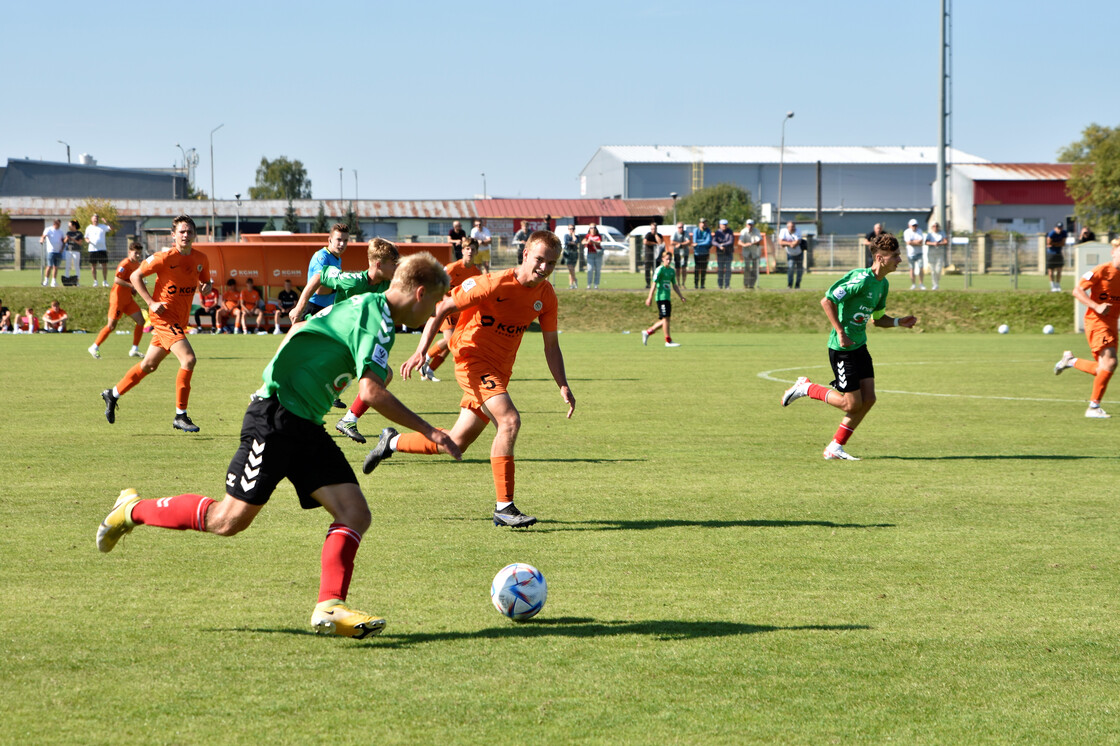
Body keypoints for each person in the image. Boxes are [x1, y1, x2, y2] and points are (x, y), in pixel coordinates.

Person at [95, 253, 462, 640]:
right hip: (275, 417)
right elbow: (370, 391)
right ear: (420, 293)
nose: (434, 314)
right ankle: (132, 510)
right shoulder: (377, 316)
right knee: (227, 520)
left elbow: (304, 328)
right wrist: (431, 431)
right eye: (436, 302)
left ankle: (329, 607)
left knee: (354, 512)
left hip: (305, 423)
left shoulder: (368, 306)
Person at [363, 231, 576, 528]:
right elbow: (443, 307)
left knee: (456, 442)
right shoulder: (492, 283)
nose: (544, 268)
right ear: (525, 254)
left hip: (499, 371)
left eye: (551, 264)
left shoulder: (546, 296)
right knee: (510, 420)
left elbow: (551, 345)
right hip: (471, 359)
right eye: (540, 260)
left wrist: (562, 384)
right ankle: (505, 507)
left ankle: (391, 442)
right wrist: (421, 351)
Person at [780, 232, 917, 460]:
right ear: (881, 258)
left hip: (859, 347)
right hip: (842, 349)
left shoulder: (882, 285)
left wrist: (897, 322)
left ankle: (835, 448)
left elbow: (876, 319)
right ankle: (806, 388)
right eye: (895, 256)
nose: (899, 260)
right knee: (849, 405)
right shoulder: (860, 279)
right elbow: (828, 300)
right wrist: (841, 332)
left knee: (869, 399)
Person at [100, 215, 212, 433]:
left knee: (149, 365)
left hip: (178, 320)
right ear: (173, 235)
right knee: (188, 359)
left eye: (189, 231)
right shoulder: (163, 257)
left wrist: (206, 287)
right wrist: (151, 302)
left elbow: (205, 282)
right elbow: (135, 276)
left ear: (194, 234)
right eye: (181, 231)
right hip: (164, 319)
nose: (185, 235)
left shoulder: (201, 259)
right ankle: (181, 415)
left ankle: (112, 394)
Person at [1053, 238, 1120, 418]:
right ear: (1113, 252)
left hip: (1112, 323)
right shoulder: (1101, 270)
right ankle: (1093, 407)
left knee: (1103, 368)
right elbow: (1077, 290)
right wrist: (1096, 306)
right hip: (1096, 321)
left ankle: (1071, 361)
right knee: (1111, 362)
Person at [412, 237, 482, 384]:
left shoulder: (476, 272)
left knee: (451, 345)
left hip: (459, 311)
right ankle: (425, 358)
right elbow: (438, 284)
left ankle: (429, 370)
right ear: (462, 250)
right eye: (467, 249)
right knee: (451, 340)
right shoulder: (452, 268)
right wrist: (447, 299)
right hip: (444, 308)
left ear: (476, 252)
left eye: (473, 249)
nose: (470, 252)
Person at [89, 241, 146, 358]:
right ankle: (94, 346)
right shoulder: (124, 264)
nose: (138, 255)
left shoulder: (136, 264)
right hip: (118, 299)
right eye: (136, 253)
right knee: (111, 326)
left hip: (128, 299)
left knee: (141, 320)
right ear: (129, 252)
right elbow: (116, 280)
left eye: (139, 253)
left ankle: (134, 349)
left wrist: (132, 289)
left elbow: (131, 280)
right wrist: (131, 286)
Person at [289, 224, 350, 323]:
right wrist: (342, 287)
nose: (342, 244)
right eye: (339, 240)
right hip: (313, 309)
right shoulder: (322, 257)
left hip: (326, 309)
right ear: (330, 239)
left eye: (345, 240)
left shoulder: (337, 259)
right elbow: (319, 289)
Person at [641, 250, 686, 347]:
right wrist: (649, 298)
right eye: (667, 259)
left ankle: (648, 332)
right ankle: (668, 341)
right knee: (666, 319)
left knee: (666, 320)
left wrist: (681, 296)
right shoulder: (659, 269)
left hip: (667, 298)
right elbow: (653, 284)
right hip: (660, 298)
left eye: (670, 259)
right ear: (663, 259)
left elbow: (674, 285)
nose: (669, 261)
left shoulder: (671, 271)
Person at [84, 213, 113, 288]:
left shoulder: (103, 227)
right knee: (93, 266)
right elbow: (86, 237)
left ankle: (105, 281)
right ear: (91, 219)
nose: (95, 219)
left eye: (97, 218)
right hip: (92, 249)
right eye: (94, 218)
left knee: (104, 265)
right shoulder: (89, 228)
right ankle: (95, 281)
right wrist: (87, 240)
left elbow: (111, 228)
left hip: (102, 249)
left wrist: (107, 222)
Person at [923, 222, 949, 290]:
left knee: (938, 269)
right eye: (934, 226)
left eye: (936, 226)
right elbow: (926, 242)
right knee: (933, 270)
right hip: (931, 252)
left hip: (939, 252)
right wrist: (933, 243)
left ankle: (936, 282)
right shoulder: (930, 234)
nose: (935, 227)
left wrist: (939, 243)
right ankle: (935, 284)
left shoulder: (942, 233)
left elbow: (946, 241)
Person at [738, 219, 762, 289]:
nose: (750, 226)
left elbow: (759, 240)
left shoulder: (756, 231)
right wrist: (745, 244)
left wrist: (751, 243)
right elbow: (739, 242)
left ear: (753, 225)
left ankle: (752, 285)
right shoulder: (743, 231)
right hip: (746, 252)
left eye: (751, 224)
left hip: (755, 252)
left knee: (755, 269)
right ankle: (746, 284)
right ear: (746, 225)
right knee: (747, 268)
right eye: (748, 224)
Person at [40, 219, 65, 287]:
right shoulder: (49, 229)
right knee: (49, 266)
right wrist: (42, 239)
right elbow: (44, 236)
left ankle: (53, 281)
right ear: (55, 223)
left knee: (56, 267)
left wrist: (62, 249)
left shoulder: (61, 231)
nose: (59, 225)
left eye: (60, 224)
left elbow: (63, 241)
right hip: (51, 251)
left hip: (58, 251)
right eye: (58, 224)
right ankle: (46, 281)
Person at [779, 221, 803, 289]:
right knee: (790, 268)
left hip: (799, 253)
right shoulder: (783, 231)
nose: (793, 228)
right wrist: (790, 244)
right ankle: (789, 284)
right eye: (791, 227)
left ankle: (797, 284)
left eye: (794, 226)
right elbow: (780, 242)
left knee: (799, 270)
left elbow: (797, 242)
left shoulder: (798, 231)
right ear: (787, 227)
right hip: (790, 254)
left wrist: (786, 243)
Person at [1047, 222, 1069, 292]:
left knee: (1059, 270)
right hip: (1051, 254)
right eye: (1058, 228)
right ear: (1055, 228)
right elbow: (1048, 243)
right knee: (1051, 271)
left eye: (1061, 228)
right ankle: (1052, 286)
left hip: (1059, 253)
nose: (1060, 229)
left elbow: (1063, 243)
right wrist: (1057, 244)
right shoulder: (1052, 233)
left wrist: (1054, 244)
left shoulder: (1064, 233)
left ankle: (1057, 285)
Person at [713, 219, 735, 289]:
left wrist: (723, 245)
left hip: (728, 253)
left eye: (725, 225)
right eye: (723, 225)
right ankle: (720, 285)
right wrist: (719, 246)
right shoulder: (717, 232)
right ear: (720, 225)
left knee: (728, 269)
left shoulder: (730, 232)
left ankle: (727, 285)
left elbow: (731, 241)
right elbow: (713, 241)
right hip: (720, 253)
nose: (724, 226)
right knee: (720, 270)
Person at [903, 218, 925, 289]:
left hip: (919, 253)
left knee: (921, 268)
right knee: (911, 269)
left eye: (915, 225)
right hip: (910, 254)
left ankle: (921, 284)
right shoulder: (906, 232)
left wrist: (913, 242)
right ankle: (913, 284)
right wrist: (916, 242)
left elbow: (921, 242)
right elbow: (908, 242)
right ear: (909, 225)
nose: (914, 227)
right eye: (913, 225)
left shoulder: (919, 231)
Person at [691, 218, 712, 289]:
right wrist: (703, 242)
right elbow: (694, 241)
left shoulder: (708, 231)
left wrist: (698, 243)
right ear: (699, 224)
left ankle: (702, 285)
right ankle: (696, 285)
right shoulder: (696, 230)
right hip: (697, 253)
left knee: (703, 270)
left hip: (705, 253)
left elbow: (708, 242)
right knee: (697, 269)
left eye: (705, 223)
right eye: (702, 223)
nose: (704, 224)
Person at [670, 222, 693, 286]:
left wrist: (679, 244)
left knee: (684, 268)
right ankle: (678, 283)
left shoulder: (686, 233)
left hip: (685, 253)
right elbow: (672, 242)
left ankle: (683, 283)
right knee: (677, 268)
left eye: (682, 227)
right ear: (677, 228)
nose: (681, 228)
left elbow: (688, 242)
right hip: (677, 253)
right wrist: (681, 244)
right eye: (679, 227)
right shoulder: (675, 233)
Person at [63, 220, 84, 285]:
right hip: (68, 251)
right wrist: (66, 238)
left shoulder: (79, 233)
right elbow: (64, 241)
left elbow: (80, 243)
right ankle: (67, 280)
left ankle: (77, 281)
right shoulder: (68, 233)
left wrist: (73, 240)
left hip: (76, 251)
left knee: (76, 266)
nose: (69, 226)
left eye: (70, 225)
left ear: (74, 226)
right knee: (67, 266)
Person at [583, 224, 603, 289]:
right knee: (590, 269)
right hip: (590, 254)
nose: (593, 229)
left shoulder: (598, 236)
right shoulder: (587, 236)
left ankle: (596, 284)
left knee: (597, 270)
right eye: (591, 228)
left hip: (598, 254)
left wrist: (593, 241)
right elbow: (583, 242)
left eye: (594, 228)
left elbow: (599, 242)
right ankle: (589, 284)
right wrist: (587, 241)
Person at [642, 222, 662, 289]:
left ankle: (655, 283)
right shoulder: (648, 235)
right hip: (648, 256)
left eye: (654, 229)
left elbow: (660, 242)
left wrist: (656, 235)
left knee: (656, 271)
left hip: (656, 256)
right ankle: (648, 284)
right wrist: (653, 243)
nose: (653, 230)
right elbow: (645, 242)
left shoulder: (659, 235)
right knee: (647, 270)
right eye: (652, 229)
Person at [561, 224, 580, 288]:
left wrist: (573, 235)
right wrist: (573, 242)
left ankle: (571, 284)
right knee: (570, 268)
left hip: (574, 254)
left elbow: (577, 241)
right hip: (568, 253)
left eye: (573, 229)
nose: (571, 230)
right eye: (570, 229)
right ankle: (575, 280)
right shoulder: (566, 236)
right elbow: (566, 242)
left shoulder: (577, 236)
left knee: (572, 269)